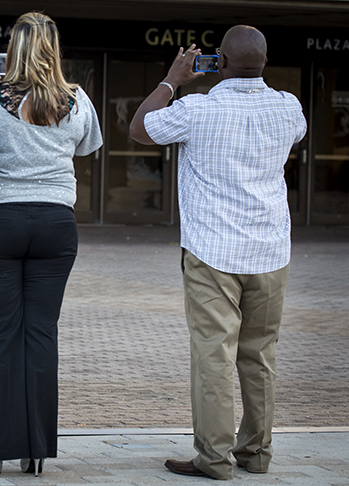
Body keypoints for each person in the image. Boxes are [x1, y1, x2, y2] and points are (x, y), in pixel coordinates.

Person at [129, 26, 307, 480]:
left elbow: (140, 128)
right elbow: (296, 137)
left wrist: (173, 79)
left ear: (220, 63)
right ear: (264, 62)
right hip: (270, 250)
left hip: (213, 252)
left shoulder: (196, 109)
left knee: (214, 355)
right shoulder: (289, 108)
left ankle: (214, 459)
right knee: (260, 355)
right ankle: (256, 454)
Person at [0, 12, 102, 477]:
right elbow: (86, 147)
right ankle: (36, 450)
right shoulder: (75, 99)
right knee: (41, 334)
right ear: (54, 50)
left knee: (0, 336)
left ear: (11, 51)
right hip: (55, 223)